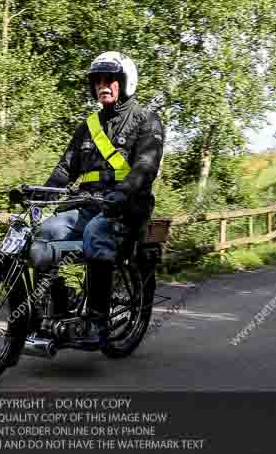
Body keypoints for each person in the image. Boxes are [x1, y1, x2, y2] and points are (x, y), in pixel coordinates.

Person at [37, 51, 165, 347]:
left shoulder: (147, 120)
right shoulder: (88, 126)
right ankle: (54, 308)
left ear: (125, 82)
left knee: (97, 233)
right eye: (97, 81)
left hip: (125, 209)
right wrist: (40, 192)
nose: (102, 85)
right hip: (86, 206)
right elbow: (65, 168)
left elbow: (145, 167)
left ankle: (97, 320)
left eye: (110, 80)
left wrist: (122, 193)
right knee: (44, 234)